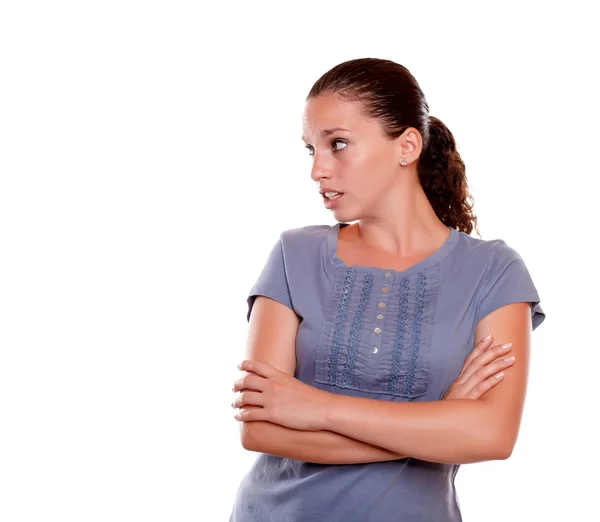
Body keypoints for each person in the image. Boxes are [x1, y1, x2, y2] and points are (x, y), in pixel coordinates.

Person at [228, 57, 545, 522]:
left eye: (338, 144)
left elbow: (492, 436)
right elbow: (260, 429)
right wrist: (436, 422)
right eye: (310, 150)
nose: (318, 169)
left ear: (407, 146)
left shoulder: (494, 272)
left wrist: (318, 407)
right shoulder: (294, 254)